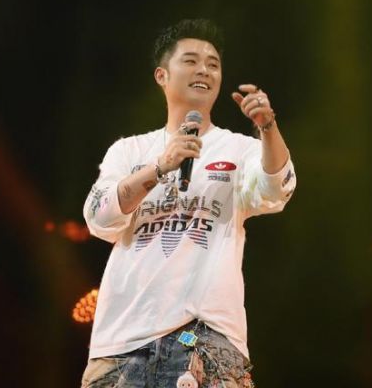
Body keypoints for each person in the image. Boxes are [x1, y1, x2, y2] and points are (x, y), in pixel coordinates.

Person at [81, 19, 296, 388]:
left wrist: (267, 126)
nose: (204, 70)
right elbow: (98, 217)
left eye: (213, 64)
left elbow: (277, 189)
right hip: (121, 344)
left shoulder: (239, 149)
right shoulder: (129, 151)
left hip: (207, 341)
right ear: (162, 75)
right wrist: (159, 168)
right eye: (191, 61)